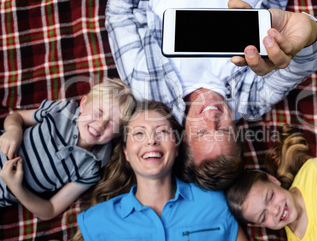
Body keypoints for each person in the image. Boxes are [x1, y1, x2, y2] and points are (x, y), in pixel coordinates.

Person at [105, 0, 317, 190]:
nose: (213, 118)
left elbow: (119, 14)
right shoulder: (251, 100)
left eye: (202, 132)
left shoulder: (148, 91)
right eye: (223, 130)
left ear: (182, 136)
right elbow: (301, 64)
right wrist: (309, 34)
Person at [75, 101, 248, 240]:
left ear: (177, 147)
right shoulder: (98, 220)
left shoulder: (214, 202)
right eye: (139, 134)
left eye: (162, 132)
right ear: (126, 152)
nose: (151, 141)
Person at [0, 78, 136, 220]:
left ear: (118, 134)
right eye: (98, 112)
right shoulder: (60, 110)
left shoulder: (90, 170)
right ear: (84, 103)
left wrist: (17, 188)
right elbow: (16, 117)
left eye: (113, 123)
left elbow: (50, 210)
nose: (100, 124)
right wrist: (13, 130)